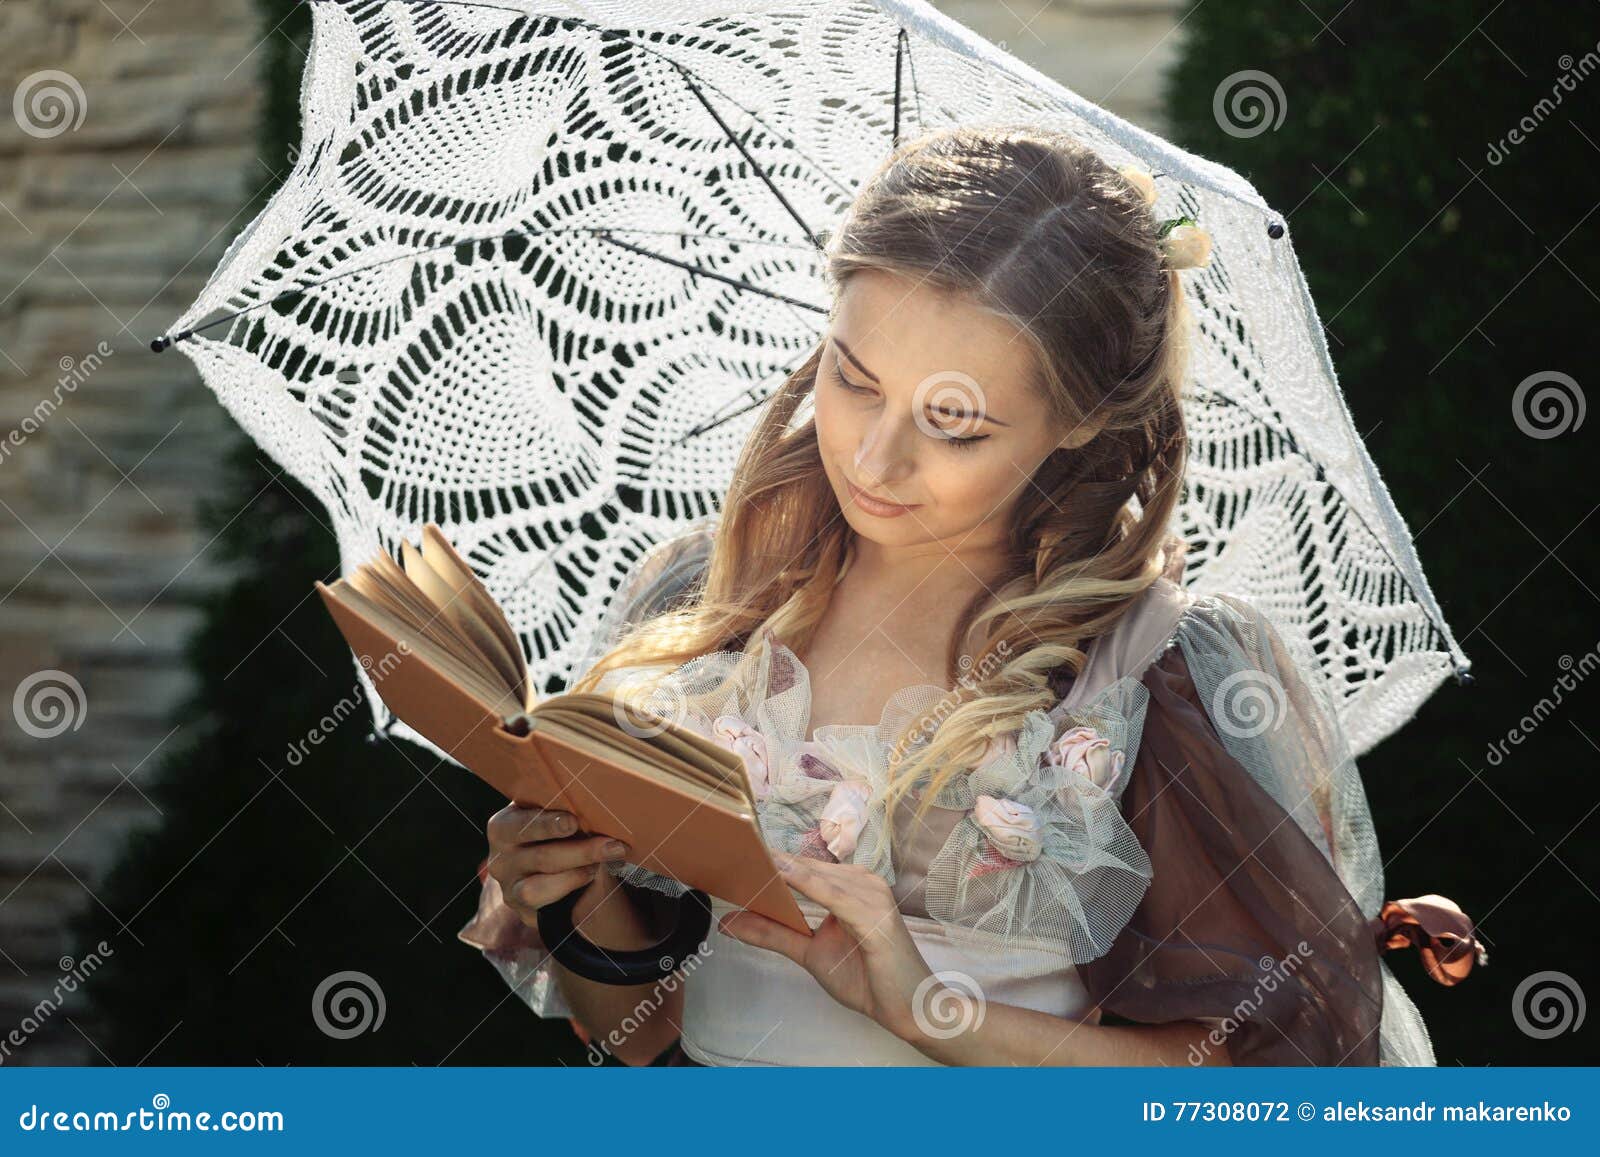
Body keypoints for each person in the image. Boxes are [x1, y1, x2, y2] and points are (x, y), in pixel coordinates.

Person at [458, 125, 1485, 1067]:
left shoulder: (1151, 669)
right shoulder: (707, 602)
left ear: (1077, 419)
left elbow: (1238, 1078)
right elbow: (642, 1034)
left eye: (953, 423)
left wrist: (929, 1011)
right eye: (853, 378)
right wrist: (576, 888)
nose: (874, 454)